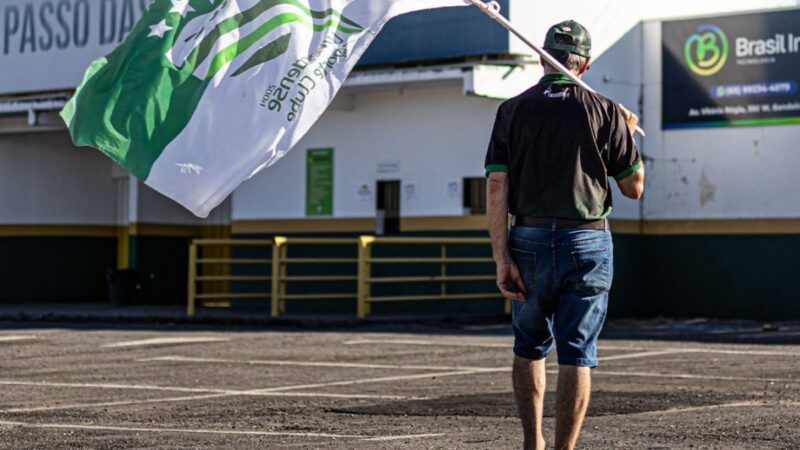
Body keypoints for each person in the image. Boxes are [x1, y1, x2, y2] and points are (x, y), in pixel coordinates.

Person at [484, 20, 645, 450]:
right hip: (587, 240)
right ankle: (564, 448)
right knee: (577, 352)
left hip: (529, 237)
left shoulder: (511, 111)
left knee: (529, 344)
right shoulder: (606, 110)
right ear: (586, 64)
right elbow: (634, 188)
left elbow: (496, 186)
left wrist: (502, 257)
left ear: (542, 58)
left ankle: (531, 442)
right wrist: (626, 133)